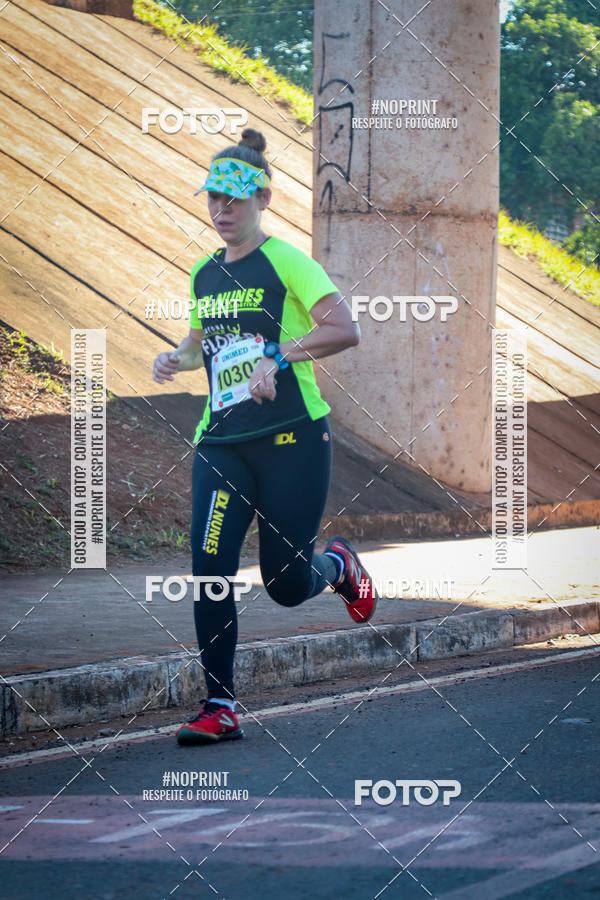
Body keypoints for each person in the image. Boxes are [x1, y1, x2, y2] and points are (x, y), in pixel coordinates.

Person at [152, 128, 378, 746]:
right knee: (210, 568)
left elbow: (344, 329)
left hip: (292, 438)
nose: (222, 211)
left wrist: (279, 354)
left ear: (264, 200)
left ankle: (336, 565)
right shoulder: (204, 273)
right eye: (213, 199)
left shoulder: (287, 262)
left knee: (284, 584)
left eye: (235, 200)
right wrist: (176, 359)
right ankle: (219, 706)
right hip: (221, 443)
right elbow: (201, 347)